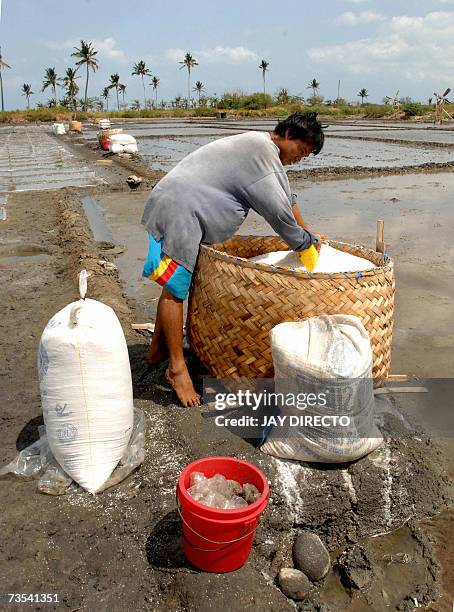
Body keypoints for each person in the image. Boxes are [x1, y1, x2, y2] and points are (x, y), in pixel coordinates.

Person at [141, 112, 326, 407]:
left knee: (175, 282)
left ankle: (156, 351)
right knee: (175, 288)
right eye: (302, 152)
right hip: (182, 210)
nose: (300, 159)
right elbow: (278, 213)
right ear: (289, 135)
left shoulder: (263, 151)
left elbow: (287, 197)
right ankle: (177, 369)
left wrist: (308, 230)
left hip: (179, 203)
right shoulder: (261, 154)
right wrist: (304, 243)